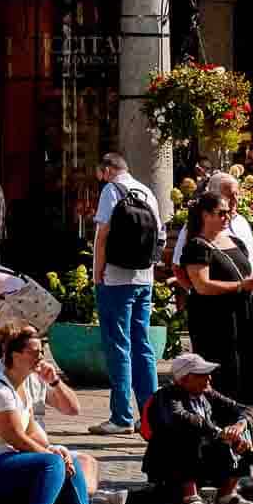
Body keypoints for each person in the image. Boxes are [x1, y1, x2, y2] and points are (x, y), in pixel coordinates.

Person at [0, 327, 123, 504]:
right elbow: (16, 437)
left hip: (7, 463)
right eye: (34, 351)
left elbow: (36, 431)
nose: (40, 357)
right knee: (51, 461)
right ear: (15, 355)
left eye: (41, 351)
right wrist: (51, 454)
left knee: (67, 458)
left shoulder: (24, 388)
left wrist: (57, 450)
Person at [179, 192, 253, 447]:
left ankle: (249, 430)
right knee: (222, 375)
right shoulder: (197, 246)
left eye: (229, 211)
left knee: (245, 375)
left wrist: (249, 284)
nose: (227, 216)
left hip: (241, 318)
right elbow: (202, 285)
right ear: (206, 215)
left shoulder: (235, 241)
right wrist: (240, 286)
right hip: (214, 322)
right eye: (221, 212)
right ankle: (222, 434)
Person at [89, 150, 161, 437]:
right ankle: (151, 415)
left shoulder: (111, 190)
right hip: (145, 278)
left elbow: (102, 236)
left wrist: (98, 274)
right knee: (142, 346)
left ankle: (121, 416)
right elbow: (161, 235)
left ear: (107, 170)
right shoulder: (146, 191)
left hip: (115, 279)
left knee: (118, 345)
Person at [141, 352, 253, 504]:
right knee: (188, 433)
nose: (209, 378)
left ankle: (227, 493)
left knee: (241, 431)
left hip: (204, 460)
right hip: (170, 464)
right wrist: (219, 432)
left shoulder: (207, 394)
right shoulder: (166, 396)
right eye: (202, 375)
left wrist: (239, 426)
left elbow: (246, 410)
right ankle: (189, 495)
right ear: (184, 379)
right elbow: (182, 418)